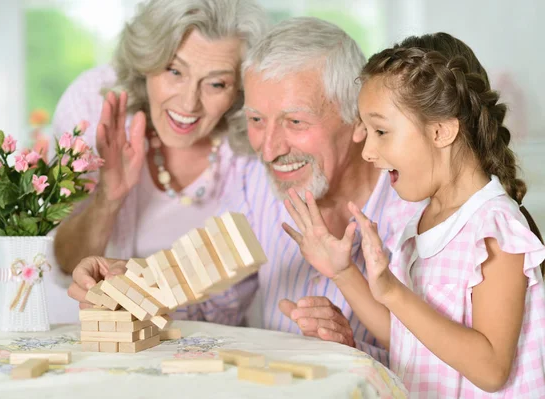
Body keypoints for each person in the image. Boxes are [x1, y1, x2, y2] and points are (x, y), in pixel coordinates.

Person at [68, 17, 405, 366]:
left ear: (358, 122)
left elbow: (442, 361)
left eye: (295, 122)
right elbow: (216, 305)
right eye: (257, 120)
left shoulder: (411, 204)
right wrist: (132, 282)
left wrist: (353, 347)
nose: (270, 150)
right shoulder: (255, 181)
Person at [284, 32, 545, 396]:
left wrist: (392, 291)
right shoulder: (420, 221)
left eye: (381, 131)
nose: (368, 152)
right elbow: (407, 337)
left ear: (440, 131)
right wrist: (343, 272)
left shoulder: (495, 230)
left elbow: (491, 369)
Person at [50, 0, 268, 323]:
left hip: (209, 354)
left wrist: (145, 291)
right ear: (146, 61)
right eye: (174, 70)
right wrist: (108, 198)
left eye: (216, 83)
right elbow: (64, 265)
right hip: (97, 348)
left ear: (240, 88)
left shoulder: (257, 140)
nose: (188, 102)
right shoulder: (92, 102)